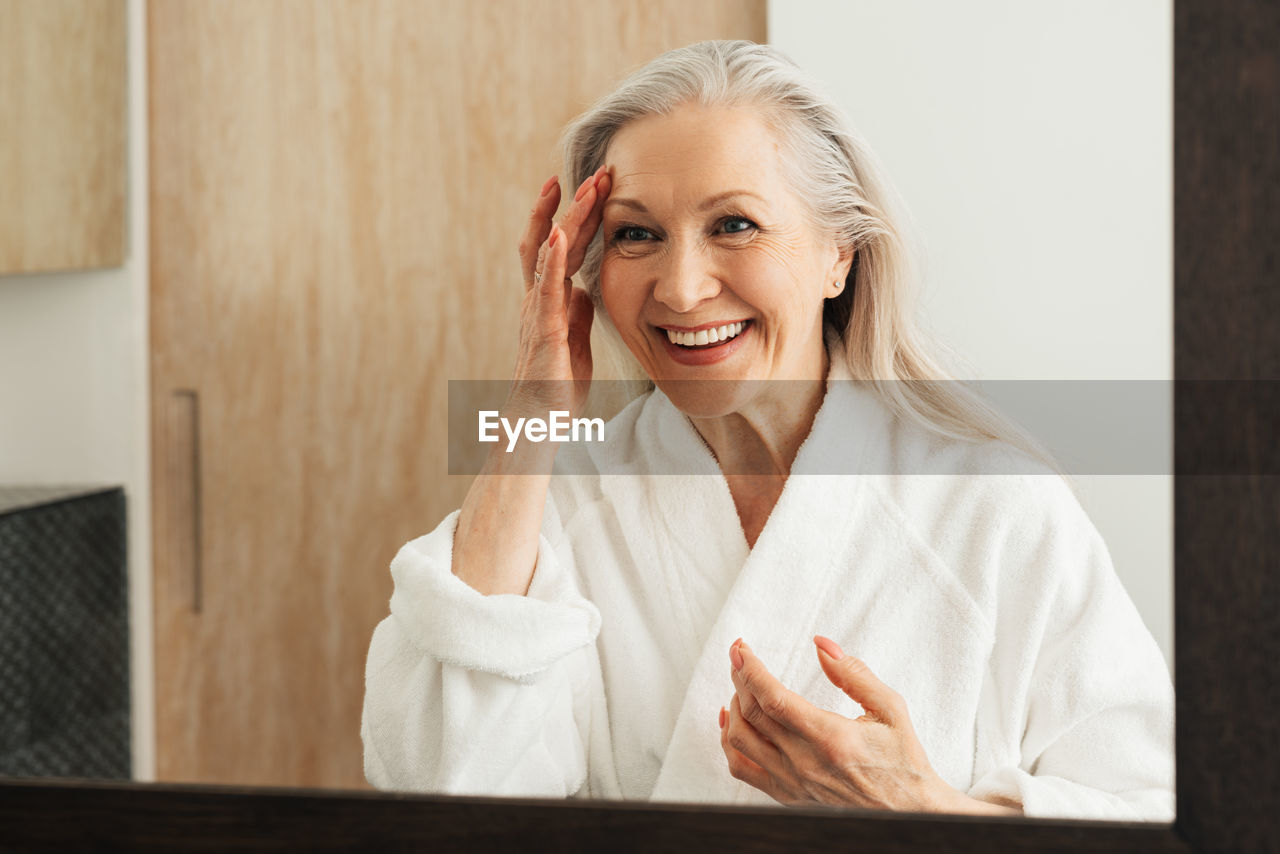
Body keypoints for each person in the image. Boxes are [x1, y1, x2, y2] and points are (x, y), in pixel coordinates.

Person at [361, 40, 1174, 820]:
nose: (680, 289)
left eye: (735, 225)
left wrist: (925, 810)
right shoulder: (555, 508)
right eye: (636, 234)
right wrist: (528, 426)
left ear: (839, 256)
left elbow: (1158, 815)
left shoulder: (994, 509)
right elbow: (446, 797)